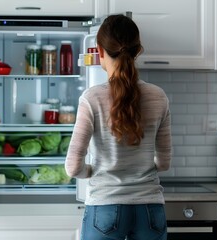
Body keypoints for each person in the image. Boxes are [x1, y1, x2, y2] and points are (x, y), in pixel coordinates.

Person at [65, 14, 172, 240]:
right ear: (137, 51)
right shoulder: (159, 97)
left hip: (104, 207)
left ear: (100, 52)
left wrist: (94, 171)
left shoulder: (91, 99)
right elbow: (163, 163)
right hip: (149, 210)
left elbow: (73, 168)